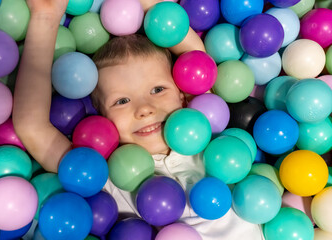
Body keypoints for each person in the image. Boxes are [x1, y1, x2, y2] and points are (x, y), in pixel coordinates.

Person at [13, 0, 264, 239]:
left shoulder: (207, 129)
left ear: (183, 94)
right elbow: (31, 126)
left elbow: (194, 55)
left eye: (157, 90)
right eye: (121, 101)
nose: (144, 109)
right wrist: (45, 17)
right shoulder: (102, 176)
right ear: (102, 118)